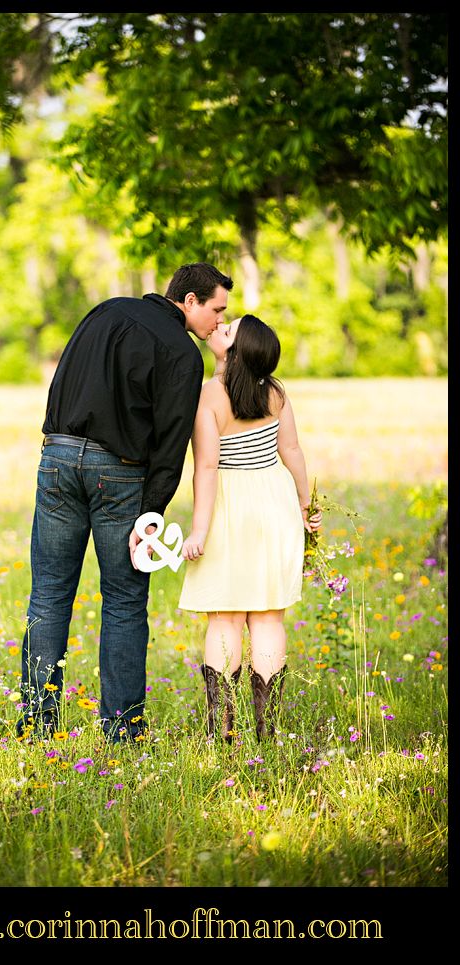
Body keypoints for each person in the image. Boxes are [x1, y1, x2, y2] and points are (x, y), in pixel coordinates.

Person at [18, 263, 234, 743]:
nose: (219, 323)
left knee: (48, 594)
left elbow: (61, 383)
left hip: (56, 454)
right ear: (190, 300)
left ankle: (36, 726)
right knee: (123, 601)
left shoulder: (105, 312)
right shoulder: (181, 351)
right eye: (216, 309)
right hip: (117, 472)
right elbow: (171, 443)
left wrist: (59, 442)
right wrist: (152, 511)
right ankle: (121, 730)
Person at [178, 314, 322, 742]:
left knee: (224, 619)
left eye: (229, 330)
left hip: (229, 507)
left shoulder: (210, 396)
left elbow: (206, 468)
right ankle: (267, 730)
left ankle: (221, 728)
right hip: (274, 502)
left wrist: (200, 530)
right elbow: (291, 450)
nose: (219, 329)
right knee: (267, 618)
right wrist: (304, 505)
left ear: (236, 350)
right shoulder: (276, 393)